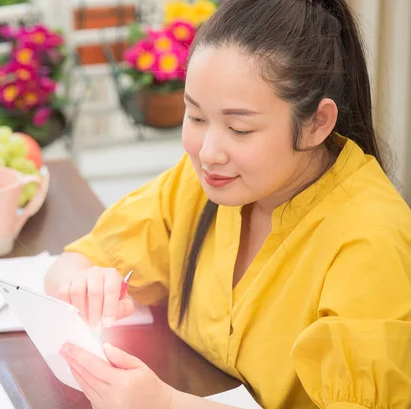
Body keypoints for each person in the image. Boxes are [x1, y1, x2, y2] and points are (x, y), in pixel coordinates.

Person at [44, 0, 411, 407]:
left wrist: (165, 404)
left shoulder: (371, 242)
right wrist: (81, 285)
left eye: (239, 128)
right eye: (196, 117)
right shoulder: (204, 181)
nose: (209, 152)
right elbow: (73, 264)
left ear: (317, 123)